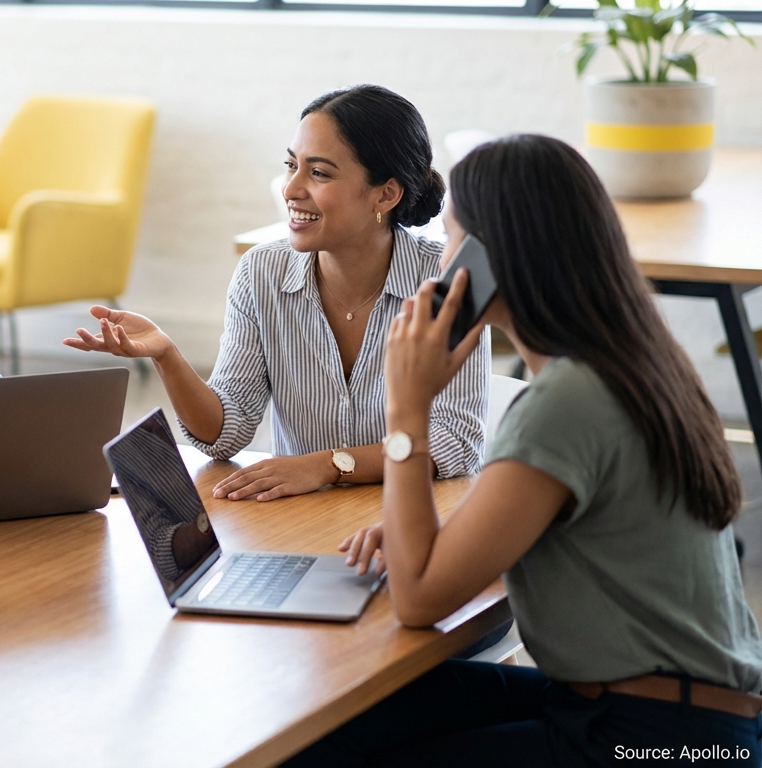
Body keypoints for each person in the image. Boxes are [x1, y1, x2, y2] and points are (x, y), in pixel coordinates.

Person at [291, 134, 762, 766]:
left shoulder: (566, 400)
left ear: (489, 260)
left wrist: (407, 410)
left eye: (453, 240)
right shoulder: (631, 360)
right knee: (346, 715)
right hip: (668, 711)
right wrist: (431, 529)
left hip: (657, 737)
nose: (439, 264)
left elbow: (421, 597)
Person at [65, 85, 488, 502]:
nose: (291, 189)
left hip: (415, 515)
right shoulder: (261, 272)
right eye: (292, 165)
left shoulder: (446, 282)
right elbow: (225, 434)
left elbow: (454, 443)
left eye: (319, 173)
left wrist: (327, 465)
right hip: (301, 519)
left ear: (386, 193)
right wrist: (168, 356)